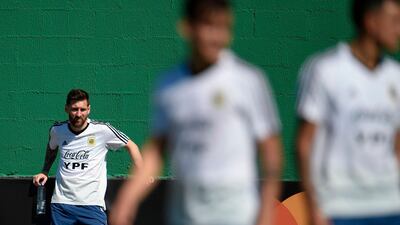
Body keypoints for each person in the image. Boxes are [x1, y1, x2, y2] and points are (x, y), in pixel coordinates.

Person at [109, 0, 283, 225]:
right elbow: (156, 151)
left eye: (224, 28)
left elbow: (271, 153)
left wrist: (267, 213)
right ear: (187, 28)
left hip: (238, 216)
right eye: (209, 26)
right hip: (186, 216)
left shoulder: (248, 80)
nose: (218, 37)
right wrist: (126, 202)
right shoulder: (168, 85)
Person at [296, 0, 400, 225]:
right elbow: (304, 144)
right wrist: (314, 208)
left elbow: (398, 145)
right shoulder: (325, 69)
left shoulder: (396, 76)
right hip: (341, 208)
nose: (399, 29)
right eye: (394, 21)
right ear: (371, 22)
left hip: (390, 206)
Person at [32, 89, 143, 225]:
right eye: (74, 109)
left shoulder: (102, 130)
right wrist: (44, 171)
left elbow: (131, 145)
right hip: (61, 205)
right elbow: (51, 148)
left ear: (89, 109)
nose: (78, 114)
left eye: (82, 109)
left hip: (92, 206)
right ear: (66, 108)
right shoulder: (57, 130)